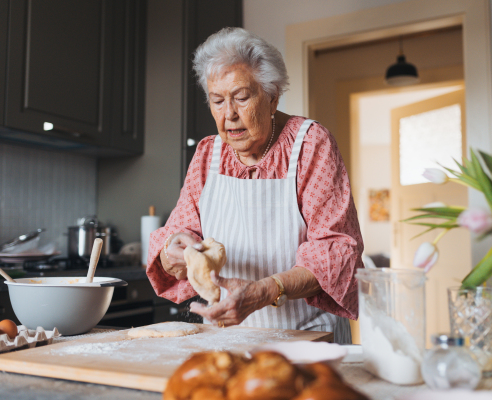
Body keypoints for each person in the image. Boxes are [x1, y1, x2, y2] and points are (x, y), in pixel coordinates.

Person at [146, 27, 363, 344]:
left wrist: (265, 290)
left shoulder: (310, 144)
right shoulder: (208, 154)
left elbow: (336, 250)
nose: (229, 115)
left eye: (241, 97)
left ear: (273, 97)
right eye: (217, 101)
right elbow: (181, 231)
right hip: (229, 337)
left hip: (307, 336)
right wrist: (174, 250)